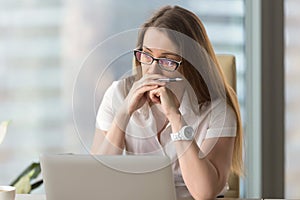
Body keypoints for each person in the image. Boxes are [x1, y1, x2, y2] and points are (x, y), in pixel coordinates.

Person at [91, 5, 243, 200]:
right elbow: (97, 179)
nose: (153, 71)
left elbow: (204, 192)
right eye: (146, 55)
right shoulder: (118, 95)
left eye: (167, 61)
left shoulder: (218, 112)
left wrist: (176, 117)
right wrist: (123, 113)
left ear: (191, 65)